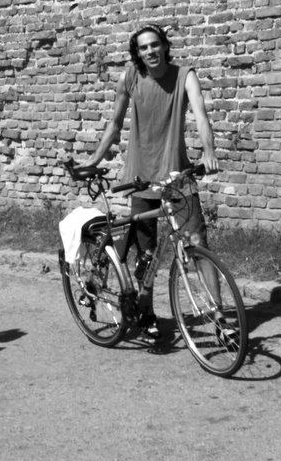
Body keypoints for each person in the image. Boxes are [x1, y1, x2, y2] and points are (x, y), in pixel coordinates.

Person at [81, 24, 219, 340]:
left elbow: (200, 114)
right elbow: (114, 124)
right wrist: (93, 160)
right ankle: (146, 314)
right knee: (147, 255)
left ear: (164, 46)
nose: (150, 51)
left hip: (177, 176)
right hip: (140, 179)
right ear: (137, 52)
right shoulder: (129, 77)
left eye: (154, 45)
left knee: (199, 243)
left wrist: (209, 151)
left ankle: (220, 317)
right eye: (143, 48)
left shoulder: (185, 75)